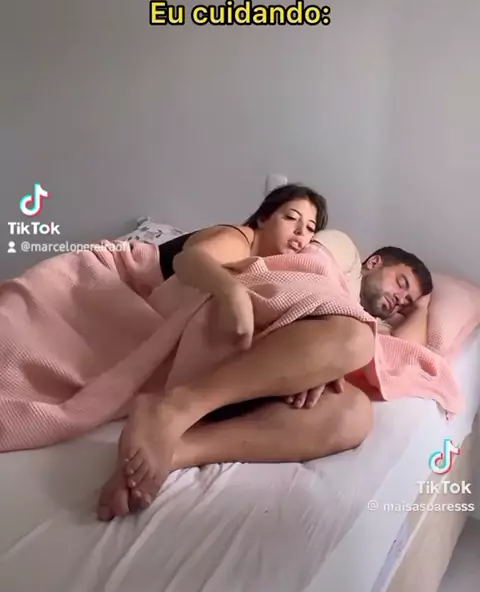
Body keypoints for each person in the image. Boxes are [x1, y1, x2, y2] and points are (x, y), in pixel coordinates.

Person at [96, 193, 432, 521]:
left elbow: (402, 353)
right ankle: (174, 408)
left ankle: (175, 451)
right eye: (401, 283)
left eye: (310, 228)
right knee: (356, 339)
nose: (301, 235)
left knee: (354, 415)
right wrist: (233, 292)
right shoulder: (260, 242)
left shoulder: (366, 314)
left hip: (253, 371)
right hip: (221, 335)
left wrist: (419, 309)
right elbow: (191, 260)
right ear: (263, 218)